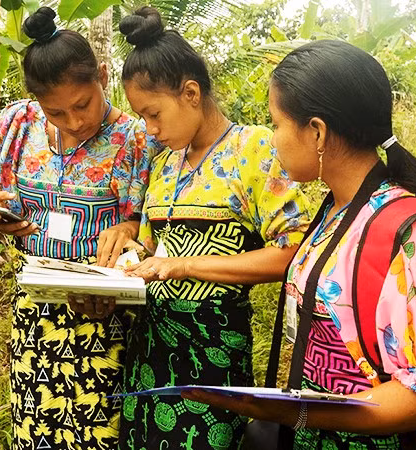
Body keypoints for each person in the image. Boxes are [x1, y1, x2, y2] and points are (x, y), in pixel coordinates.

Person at [183, 40, 416, 448]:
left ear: (317, 131)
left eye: (276, 123)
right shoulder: (335, 211)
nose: (273, 139)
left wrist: (298, 412)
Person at [0, 7, 160, 449]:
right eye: (56, 112)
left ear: (103, 76)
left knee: (99, 428)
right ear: (36, 102)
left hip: (103, 308)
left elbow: (148, 223)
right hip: (37, 305)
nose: (73, 122)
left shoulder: (134, 138)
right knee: (37, 428)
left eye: (82, 105)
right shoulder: (18, 123)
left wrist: (127, 230)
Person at [114, 7, 310, 449]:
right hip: (147, 355)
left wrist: (186, 266)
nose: (150, 129)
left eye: (154, 113)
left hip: (212, 356)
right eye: (141, 118)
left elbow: (294, 253)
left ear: (190, 92)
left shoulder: (255, 150)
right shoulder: (164, 164)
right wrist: (125, 261)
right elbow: (149, 249)